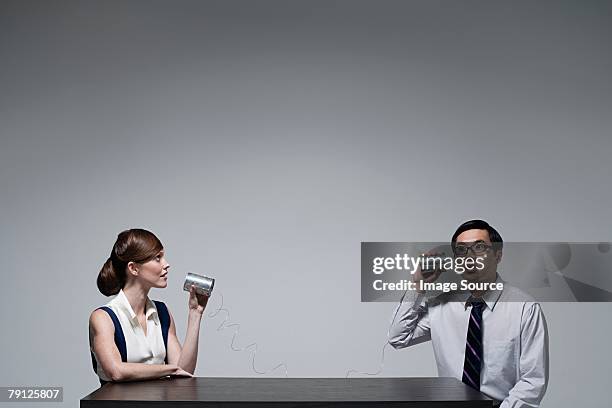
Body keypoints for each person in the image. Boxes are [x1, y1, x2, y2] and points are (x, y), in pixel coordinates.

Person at [389, 220, 549, 407]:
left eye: (479, 247)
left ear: (498, 255)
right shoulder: (443, 305)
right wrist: (418, 286)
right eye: (462, 250)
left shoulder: (524, 309)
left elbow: (533, 380)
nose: (470, 256)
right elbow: (398, 337)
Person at [89, 229, 209, 383]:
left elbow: (184, 371)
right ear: (133, 268)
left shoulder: (162, 312)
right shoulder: (103, 318)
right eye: (157, 258)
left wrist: (195, 313)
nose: (166, 264)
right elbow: (116, 371)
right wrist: (170, 369)